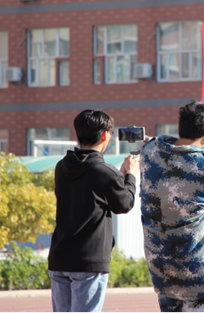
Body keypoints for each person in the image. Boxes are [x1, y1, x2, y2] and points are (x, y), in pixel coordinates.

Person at [140, 100, 204, 313]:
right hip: (198, 274)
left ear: (179, 127)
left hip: (162, 271)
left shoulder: (149, 153)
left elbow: (163, 142)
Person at [48, 109, 139, 313]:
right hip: (88, 261)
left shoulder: (61, 167)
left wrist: (119, 177)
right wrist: (131, 176)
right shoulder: (104, 172)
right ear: (105, 135)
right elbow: (124, 204)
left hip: (60, 256)